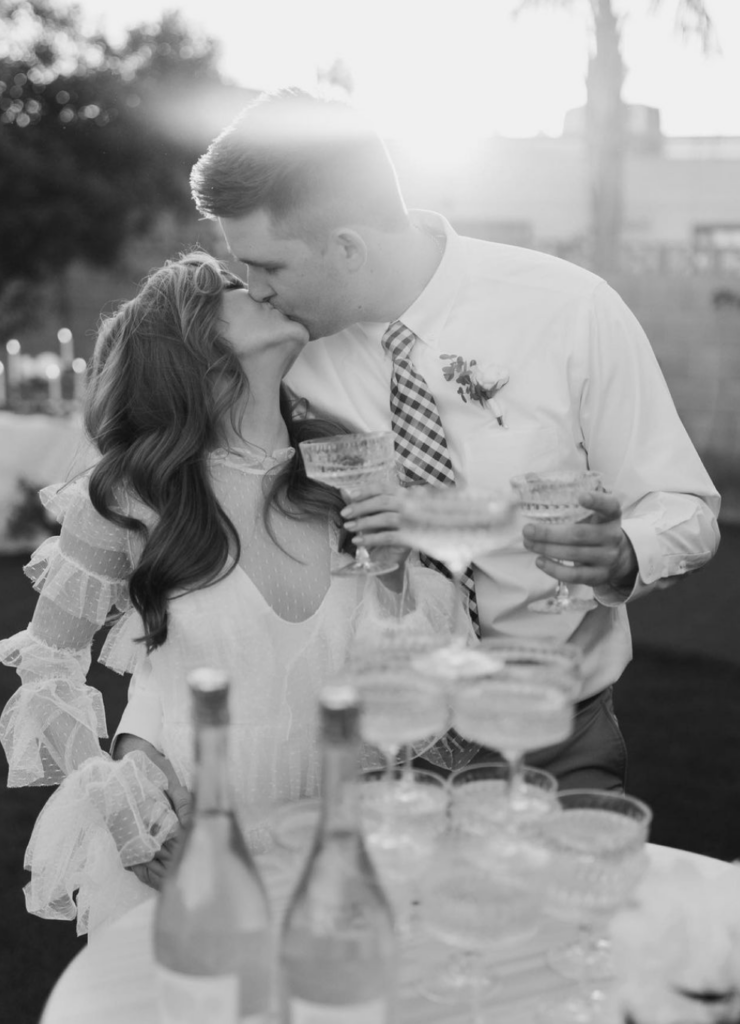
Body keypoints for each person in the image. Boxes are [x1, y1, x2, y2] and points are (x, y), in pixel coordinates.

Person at [190, 88, 721, 791]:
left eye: (269, 266)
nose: (250, 289)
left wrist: (626, 552)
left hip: (552, 733)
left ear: (347, 246)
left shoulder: (569, 309)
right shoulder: (280, 345)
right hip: (374, 750)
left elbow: (684, 504)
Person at [0, 251, 454, 933]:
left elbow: (406, 679)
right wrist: (125, 801)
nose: (268, 289)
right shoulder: (129, 496)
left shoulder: (349, 469)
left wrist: (394, 566)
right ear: (193, 343)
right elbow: (46, 670)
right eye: (236, 289)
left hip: (337, 840)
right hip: (191, 851)